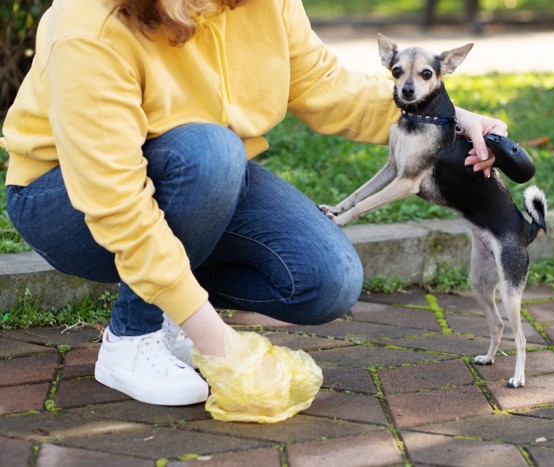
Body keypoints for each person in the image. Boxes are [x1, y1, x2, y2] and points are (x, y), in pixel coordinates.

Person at [1, 0, 504, 406]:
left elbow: (323, 85)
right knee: (213, 150)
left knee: (328, 279)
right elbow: (112, 196)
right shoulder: (88, 21)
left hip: (202, 178)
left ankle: (178, 310)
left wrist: (451, 119)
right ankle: (133, 337)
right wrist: (222, 346)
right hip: (64, 199)